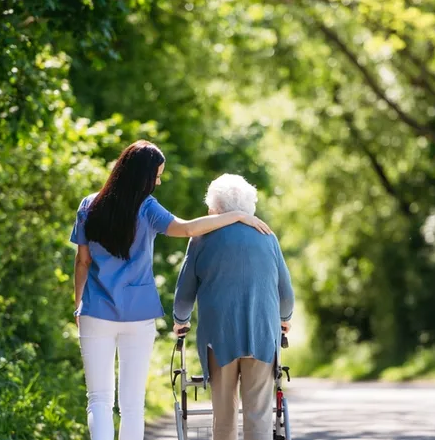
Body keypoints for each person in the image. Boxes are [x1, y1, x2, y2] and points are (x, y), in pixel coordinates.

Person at [69, 141, 272, 440]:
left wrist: (79, 305)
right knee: (132, 404)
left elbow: (82, 262)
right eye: (157, 175)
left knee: (98, 398)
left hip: (95, 312)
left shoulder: (89, 206)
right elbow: (188, 229)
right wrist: (238, 215)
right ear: (142, 176)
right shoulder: (147, 208)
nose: (159, 181)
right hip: (138, 315)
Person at [172, 173, 295, 440]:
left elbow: (184, 294)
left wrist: (180, 321)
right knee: (259, 414)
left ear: (215, 207)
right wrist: (285, 318)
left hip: (220, 337)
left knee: (224, 413)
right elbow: (285, 293)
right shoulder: (267, 237)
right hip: (262, 335)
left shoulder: (201, 239)